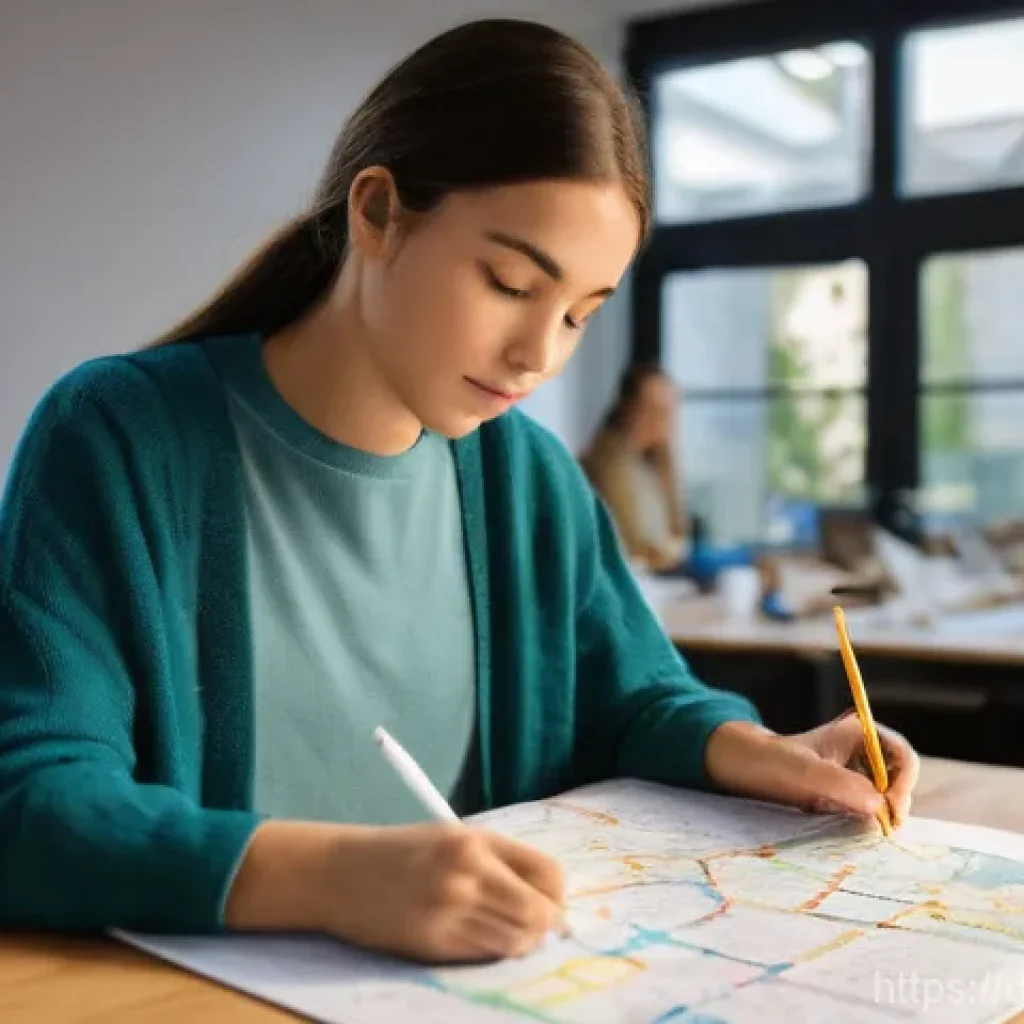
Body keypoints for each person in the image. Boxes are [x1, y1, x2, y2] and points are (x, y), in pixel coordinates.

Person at [0, 18, 919, 966]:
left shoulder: (525, 475)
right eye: (510, 281)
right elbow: (28, 797)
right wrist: (336, 878)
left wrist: (763, 752)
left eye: (578, 314)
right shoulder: (115, 435)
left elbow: (632, 698)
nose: (541, 356)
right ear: (377, 213)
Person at [582, 364, 771, 591]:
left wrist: (668, 460)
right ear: (630, 408)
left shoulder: (649, 462)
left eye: (670, 409)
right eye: (656, 408)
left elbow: (678, 531)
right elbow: (651, 551)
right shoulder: (612, 463)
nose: (667, 418)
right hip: (638, 584)